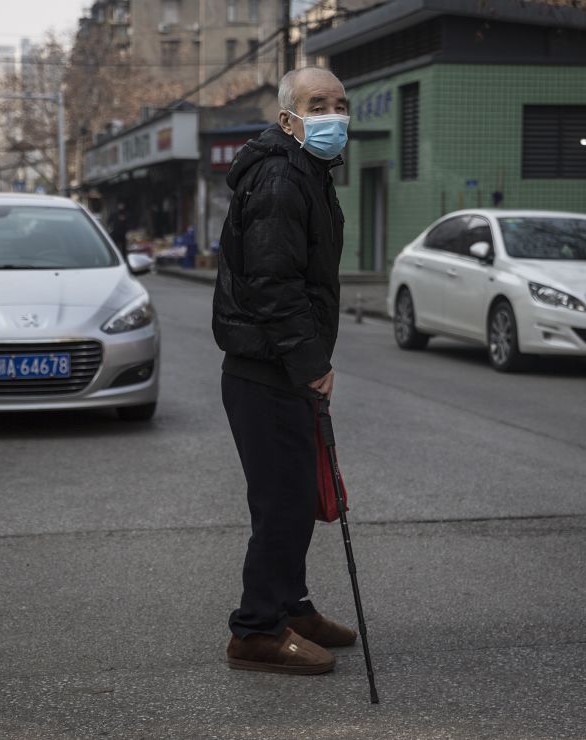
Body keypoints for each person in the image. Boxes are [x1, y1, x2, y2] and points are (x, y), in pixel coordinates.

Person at [212, 66, 355, 675]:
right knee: (282, 502)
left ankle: (291, 607)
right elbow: (273, 283)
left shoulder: (307, 173)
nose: (332, 114)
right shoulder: (279, 175)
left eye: (339, 103)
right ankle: (256, 630)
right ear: (288, 117)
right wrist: (311, 363)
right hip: (266, 370)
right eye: (316, 103)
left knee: (297, 498)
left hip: (279, 369)